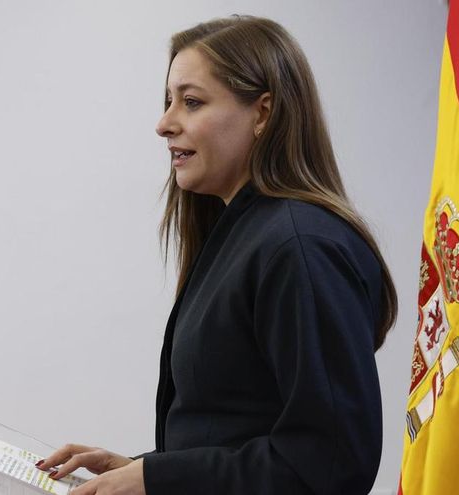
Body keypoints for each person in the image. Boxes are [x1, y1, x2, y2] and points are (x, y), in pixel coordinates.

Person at [35, 15, 398, 495]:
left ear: (263, 112)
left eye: (191, 101)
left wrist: (157, 478)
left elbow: (328, 466)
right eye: (169, 102)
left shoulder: (299, 246)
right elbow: (237, 429)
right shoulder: (246, 232)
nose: (165, 124)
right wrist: (139, 471)